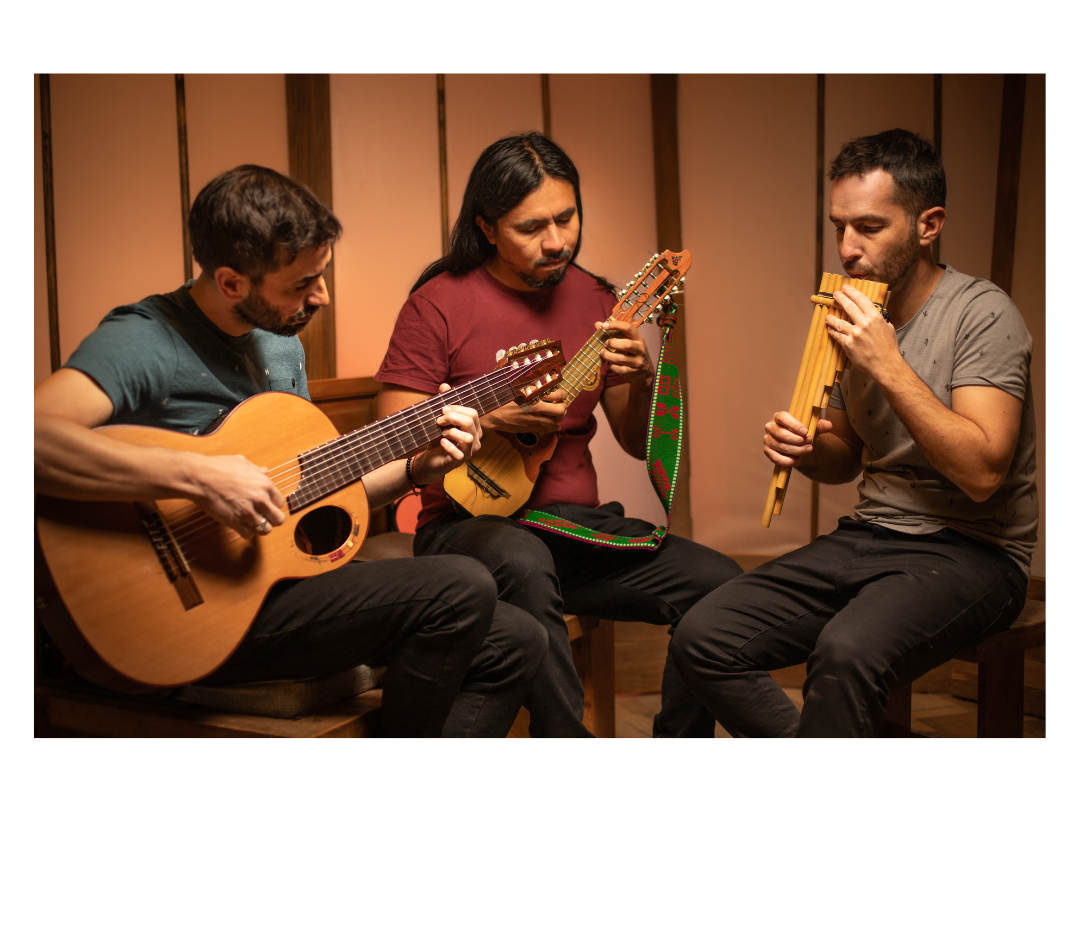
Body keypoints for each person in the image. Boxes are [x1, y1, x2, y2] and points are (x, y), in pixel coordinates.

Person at [34, 165, 547, 737]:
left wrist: (417, 469)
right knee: (461, 584)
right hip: (182, 613)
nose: (321, 295)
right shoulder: (144, 339)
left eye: (321, 275)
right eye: (302, 283)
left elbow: (312, 484)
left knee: (518, 639)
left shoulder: (279, 347)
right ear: (232, 283)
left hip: (270, 589)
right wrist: (197, 476)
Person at [669, 128, 1038, 737]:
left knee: (844, 655)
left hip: (975, 551)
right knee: (701, 636)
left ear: (928, 225)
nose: (847, 248)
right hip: (869, 534)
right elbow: (845, 459)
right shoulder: (852, 313)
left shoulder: (983, 313)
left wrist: (888, 364)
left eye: (869, 227)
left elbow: (982, 473)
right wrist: (808, 449)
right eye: (839, 226)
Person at [376, 133, 743, 738]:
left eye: (566, 218)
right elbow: (395, 436)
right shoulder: (437, 304)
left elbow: (634, 441)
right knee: (524, 558)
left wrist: (641, 377)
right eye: (531, 227)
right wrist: (491, 419)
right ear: (487, 227)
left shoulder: (601, 301)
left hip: (575, 531)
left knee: (720, 586)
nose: (557, 241)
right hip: (470, 532)